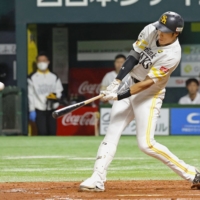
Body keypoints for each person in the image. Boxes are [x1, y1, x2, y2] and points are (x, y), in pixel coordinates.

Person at [79, 11, 200, 191]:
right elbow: (133, 55)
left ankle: (193, 174)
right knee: (111, 132)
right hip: (130, 82)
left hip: (149, 94)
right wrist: (117, 81)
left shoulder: (173, 55)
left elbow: (147, 83)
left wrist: (118, 95)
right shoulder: (152, 29)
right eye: (160, 28)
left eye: (165, 31)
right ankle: (97, 178)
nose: (160, 32)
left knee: (146, 144)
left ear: (176, 33)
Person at [28, 52, 63, 135]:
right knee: (42, 132)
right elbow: (30, 95)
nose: (42, 63)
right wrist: (31, 110)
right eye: (40, 61)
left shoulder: (54, 76)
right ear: (36, 63)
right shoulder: (32, 77)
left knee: (52, 131)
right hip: (39, 109)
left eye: (44, 60)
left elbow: (59, 90)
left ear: (48, 62)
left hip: (52, 108)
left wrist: (54, 97)